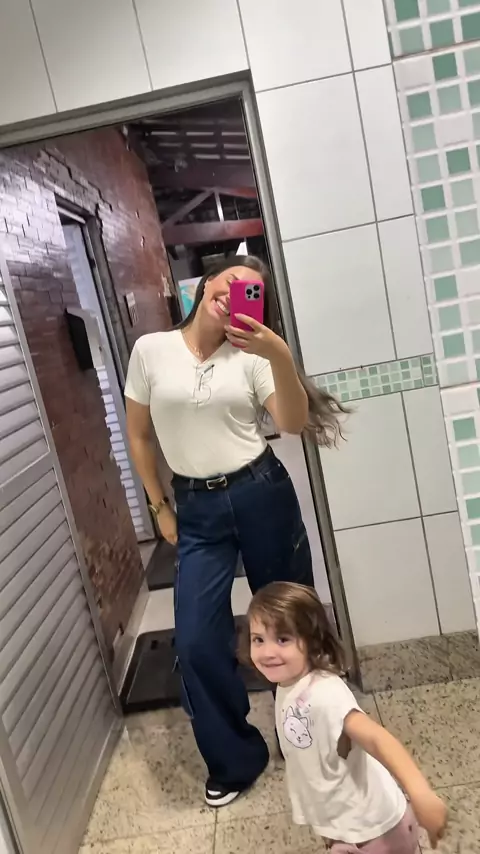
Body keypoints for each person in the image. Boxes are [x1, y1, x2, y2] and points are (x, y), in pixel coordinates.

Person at [124, 255, 347, 807]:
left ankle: (307, 733)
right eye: (230, 282)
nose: (235, 293)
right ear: (206, 285)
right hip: (196, 508)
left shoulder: (254, 356)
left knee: (291, 619)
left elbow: (290, 424)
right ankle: (235, 758)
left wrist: (279, 354)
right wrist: (159, 507)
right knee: (197, 640)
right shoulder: (151, 350)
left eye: (252, 291)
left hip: (260, 492)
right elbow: (140, 437)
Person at [242, 581, 448, 853]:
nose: (267, 652)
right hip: (347, 823)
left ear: (312, 642)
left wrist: (420, 793)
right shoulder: (289, 682)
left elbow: (376, 738)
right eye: (258, 639)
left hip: (374, 833)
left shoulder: (325, 694)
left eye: (283, 639)